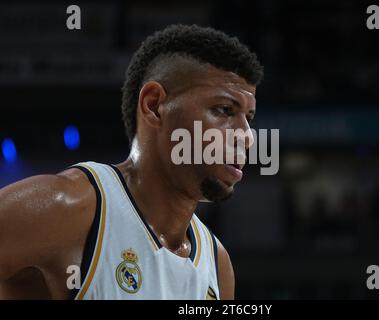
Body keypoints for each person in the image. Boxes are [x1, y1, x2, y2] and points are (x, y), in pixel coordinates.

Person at [0, 24, 264, 299]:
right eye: (224, 110)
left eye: (249, 118)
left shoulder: (217, 265)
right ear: (153, 105)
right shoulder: (63, 209)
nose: (247, 136)